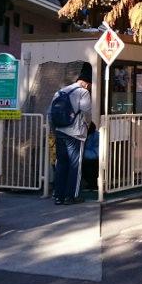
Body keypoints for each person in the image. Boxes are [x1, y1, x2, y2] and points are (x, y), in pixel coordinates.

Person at [49, 62, 93, 206]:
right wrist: (87, 125)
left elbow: (50, 113)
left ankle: (58, 195)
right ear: (86, 84)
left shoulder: (60, 92)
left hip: (60, 132)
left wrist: (55, 128)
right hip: (76, 134)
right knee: (75, 165)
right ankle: (70, 196)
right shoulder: (83, 92)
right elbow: (86, 111)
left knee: (61, 164)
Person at [82, 122, 100, 190]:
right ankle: (91, 184)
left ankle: (94, 184)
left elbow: (97, 153)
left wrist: (81, 153)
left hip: (96, 157)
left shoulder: (97, 135)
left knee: (93, 165)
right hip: (86, 157)